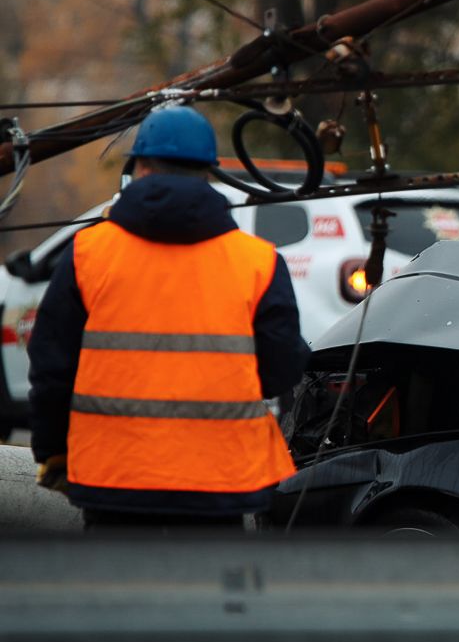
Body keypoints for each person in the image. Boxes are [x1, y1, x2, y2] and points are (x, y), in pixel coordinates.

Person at [28, 105, 310, 530]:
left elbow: (52, 369)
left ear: (140, 168)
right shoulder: (258, 262)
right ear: (209, 173)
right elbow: (284, 366)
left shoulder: (88, 253)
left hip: (113, 481)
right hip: (219, 484)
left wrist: (52, 451)